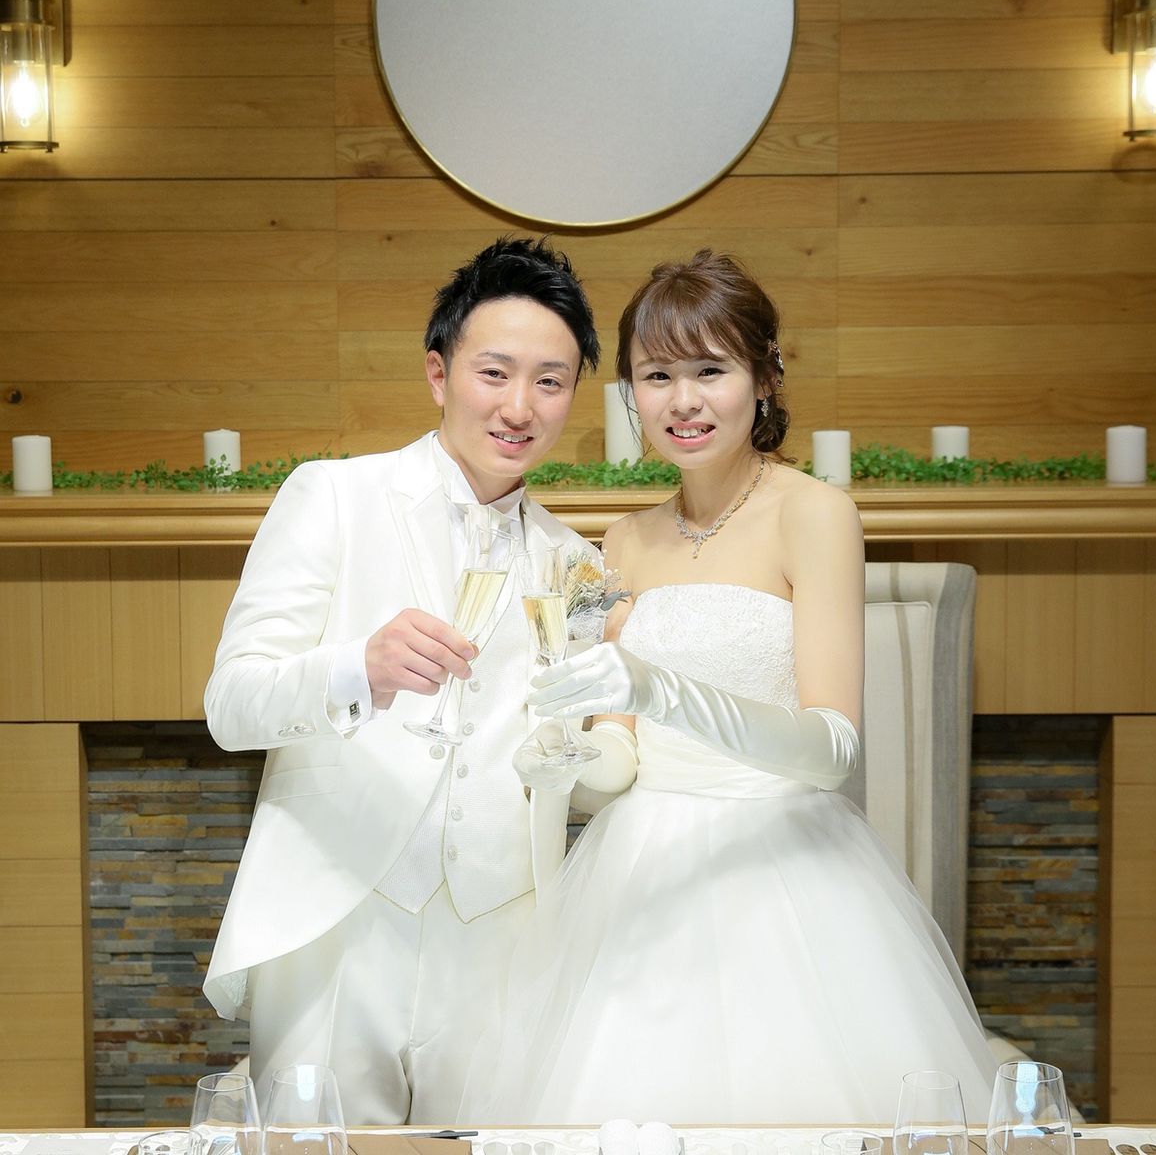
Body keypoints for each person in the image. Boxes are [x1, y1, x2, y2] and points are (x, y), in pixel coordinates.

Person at [456, 250, 999, 1124]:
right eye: (656, 375)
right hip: (639, 873)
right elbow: (619, 760)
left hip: (781, 869)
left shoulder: (814, 513)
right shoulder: (621, 540)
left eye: (710, 370)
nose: (683, 400)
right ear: (631, 394)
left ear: (764, 378)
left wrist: (665, 693)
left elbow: (833, 751)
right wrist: (558, 757)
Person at [200, 237, 634, 1124]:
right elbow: (231, 706)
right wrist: (356, 667)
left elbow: (570, 753)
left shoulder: (574, 563)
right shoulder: (330, 496)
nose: (519, 406)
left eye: (550, 382)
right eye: (494, 373)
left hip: (502, 934)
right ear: (439, 374)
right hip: (338, 921)